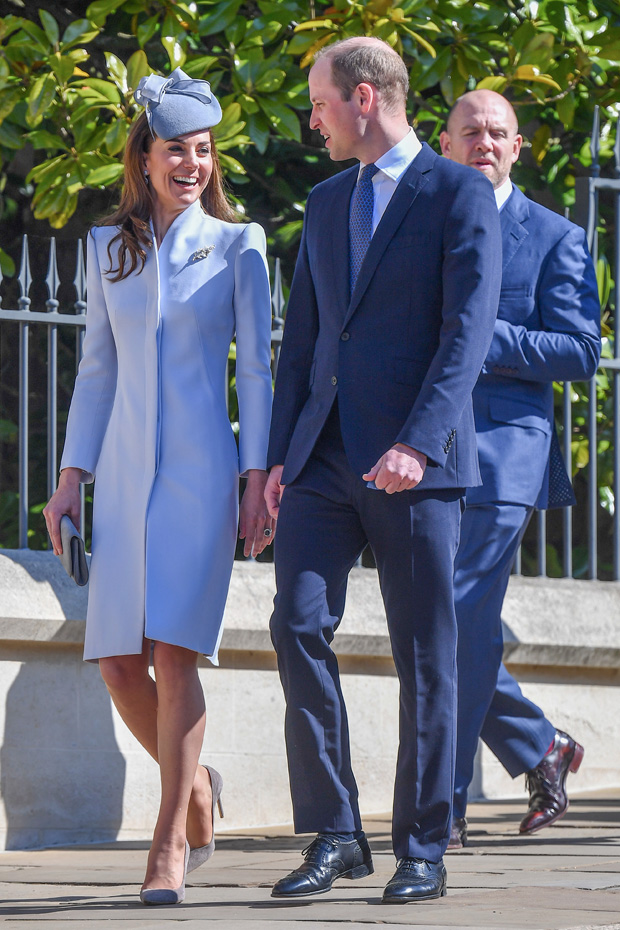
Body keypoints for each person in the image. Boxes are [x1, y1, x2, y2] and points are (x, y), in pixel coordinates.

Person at [264, 38, 502, 904]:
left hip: (415, 464)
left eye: (321, 102)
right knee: (295, 624)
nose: (312, 118)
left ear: (365, 98)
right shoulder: (327, 202)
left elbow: (466, 331)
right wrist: (275, 462)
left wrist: (420, 440)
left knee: (424, 657)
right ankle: (336, 830)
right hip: (324, 459)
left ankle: (423, 845)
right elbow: (305, 346)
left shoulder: (457, 192)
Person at [43, 68, 274, 905]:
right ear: (143, 157)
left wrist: (258, 477)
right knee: (114, 662)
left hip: (205, 475)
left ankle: (167, 840)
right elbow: (95, 374)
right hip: (127, 475)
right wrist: (73, 479)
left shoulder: (239, 245)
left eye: (204, 151)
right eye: (176, 150)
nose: (192, 165)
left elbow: (259, 375)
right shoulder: (108, 249)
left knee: (175, 651)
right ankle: (202, 788)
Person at [439, 90, 600, 849]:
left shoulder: (557, 236)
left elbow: (579, 350)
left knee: (456, 613)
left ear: (518, 147)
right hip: (421, 449)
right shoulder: (423, 222)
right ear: (443, 143)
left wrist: (484, 335)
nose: (484, 143)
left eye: (498, 133)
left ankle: (442, 803)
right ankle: (543, 746)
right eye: (470, 131)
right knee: (442, 620)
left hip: (503, 454)